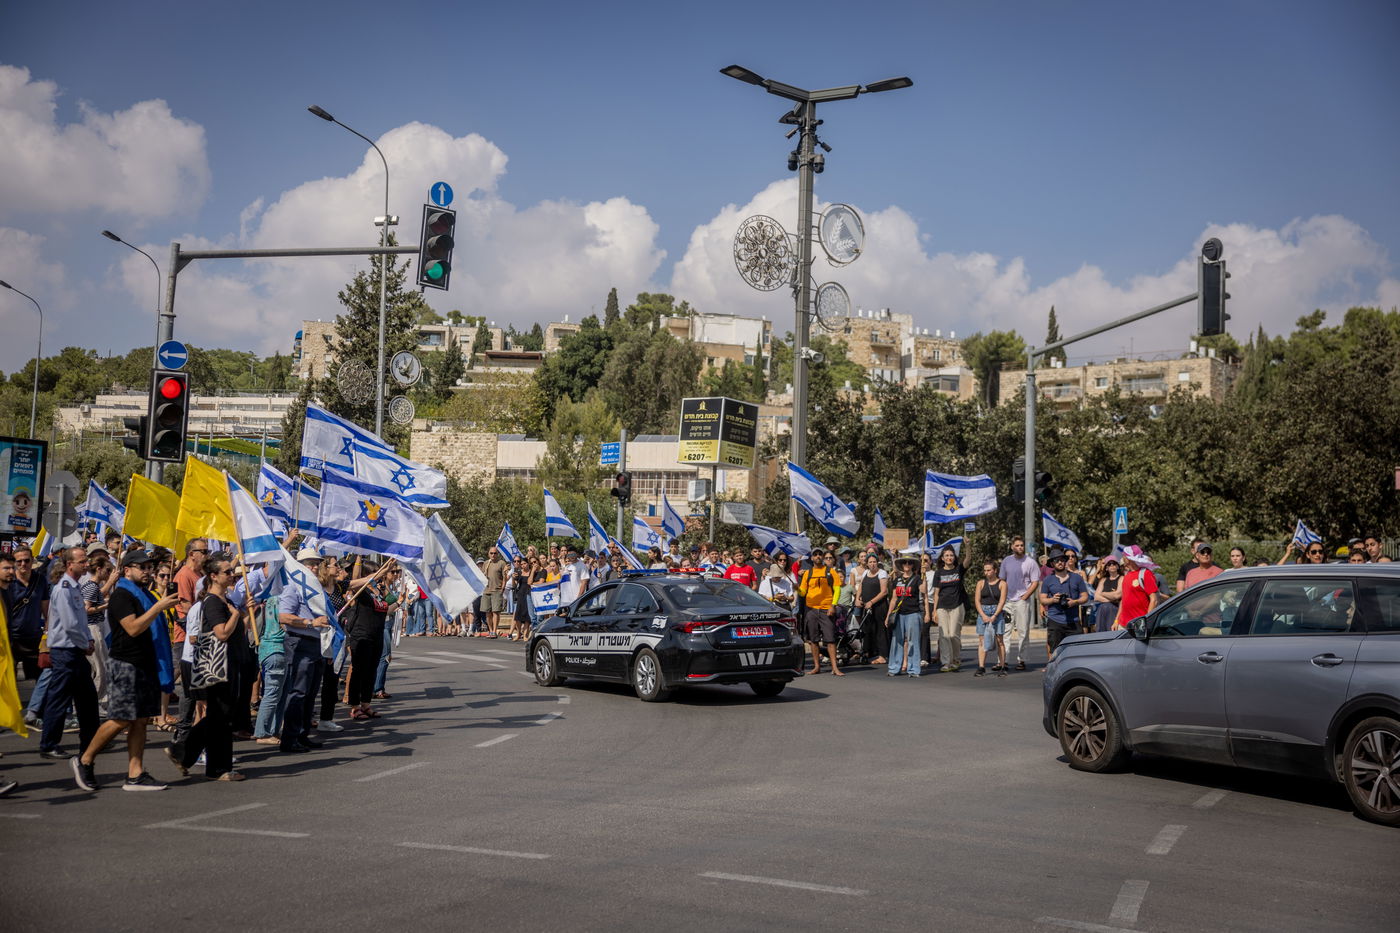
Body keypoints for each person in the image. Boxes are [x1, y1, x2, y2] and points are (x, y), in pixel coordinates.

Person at [71, 550, 180, 792]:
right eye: (142, 567)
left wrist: (159, 603)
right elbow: (132, 628)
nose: (147, 571)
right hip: (126, 663)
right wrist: (159, 607)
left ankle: (135, 774)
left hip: (144, 662)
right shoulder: (122, 595)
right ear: (127, 570)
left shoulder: (143, 594)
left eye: (149, 567)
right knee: (121, 718)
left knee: (140, 720)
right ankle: (84, 759)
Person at [168, 552, 248, 782]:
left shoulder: (224, 599)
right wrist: (235, 615)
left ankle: (201, 761)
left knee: (221, 718)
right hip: (218, 666)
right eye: (227, 572)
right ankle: (197, 758)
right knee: (218, 717)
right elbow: (221, 633)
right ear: (213, 576)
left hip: (229, 664)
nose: (232, 575)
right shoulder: (213, 602)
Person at [38, 547, 100, 760]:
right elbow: (70, 624)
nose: (86, 564)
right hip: (65, 651)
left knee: (87, 697)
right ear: (69, 564)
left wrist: (88, 640)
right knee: (59, 697)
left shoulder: (74, 587)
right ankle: (49, 743)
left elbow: (80, 621)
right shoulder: (63, 588)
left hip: (75, 650)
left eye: (86, 561)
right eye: (82, 561)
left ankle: (91, 738)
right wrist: (85, 643)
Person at [276, 547, 332, 753]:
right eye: (310, 563)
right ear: (299, 565)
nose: (315, 567)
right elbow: (284, 617)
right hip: (300, 641)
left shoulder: (316, 588)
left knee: (310, 694)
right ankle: (289, 739)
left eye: (317, 563)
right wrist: (311, 622)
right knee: (298, 692)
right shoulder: (293, 587)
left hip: (316, 643)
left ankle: (303, 734)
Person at [344, 559, 398, 721]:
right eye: (376, 574)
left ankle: (366, 704)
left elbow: (390, 603)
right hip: (362, 635)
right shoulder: (360, 591)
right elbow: (354, 580)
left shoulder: (378, 592)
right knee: (359, 671)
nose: (380, 579)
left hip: (377, 635)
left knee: (371, 671)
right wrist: (361, 560)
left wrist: (384, 583)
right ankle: (354, 707)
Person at [8, 546, 51, 727]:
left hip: (33, 637)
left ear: (32, 560)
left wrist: (47, 634)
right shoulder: (8, 582)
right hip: (11, 638)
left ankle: (36, 714)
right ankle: (9, 716)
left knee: (43, 675)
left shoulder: (40, 580)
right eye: (19, 561)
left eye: (27, 560)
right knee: (7, 680)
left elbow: (46, 610)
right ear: (14, 563)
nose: (23, 564)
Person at [797, 551, 844, 676]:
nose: (818, 556)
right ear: (812, 558)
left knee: (830, 639)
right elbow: (802, 592)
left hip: (826, 608)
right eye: (815, 555)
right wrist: (796, 588)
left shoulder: (830, 571)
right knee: (813, 640)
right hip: (811, 609)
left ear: (822, 557)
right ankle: (816, 667)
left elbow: (837, 589)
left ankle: (835, 668)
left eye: (820, 554)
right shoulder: (808, 573)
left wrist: (833, 605)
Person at [999, 537, 1040, 672]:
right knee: (1005, 631)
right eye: (1017, 545)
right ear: (1012, 547)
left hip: (1022, 601)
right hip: (1008, 601)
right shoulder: (1007, 561)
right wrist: (1002, 598)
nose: (1020, 547)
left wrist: (1026, 596)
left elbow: (1035, 582)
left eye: (1022, 545)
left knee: (1023, 631)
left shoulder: (1030, 562)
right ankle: (1003, 661)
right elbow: (1002, 580)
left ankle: (1022, 660)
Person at [1039, 550, 1089, 656]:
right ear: (1052, 563)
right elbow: (1042, 599)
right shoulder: (1048, 580)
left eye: (1062, 560)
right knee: (1054, 652)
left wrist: (1075, 602)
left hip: (1073, 621)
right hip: (1055, 620)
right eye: (1057, 560)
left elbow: (1085, 597)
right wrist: (1053, 600)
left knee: (1077, 652)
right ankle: (1053, 671)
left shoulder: (1077, 577)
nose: (1060, 562)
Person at [884, 556, 924, 678]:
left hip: (913, 612)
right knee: (897, 640)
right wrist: (888, 615)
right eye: (905, 563)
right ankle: (894, 668)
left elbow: (924, 594)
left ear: (913, 565)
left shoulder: (918, 579)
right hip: (899, 613)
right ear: (901, 565)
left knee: (913, 641)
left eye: (910, 563)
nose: (907, 564)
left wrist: (924, 577)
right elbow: (893, 599)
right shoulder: (897, 580)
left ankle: (914, 669)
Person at [930, 546, 968, 673]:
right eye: (946, 555)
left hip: (957, 606)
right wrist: (934, 610)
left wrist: (967, 546)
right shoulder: (938, 573)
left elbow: (968, 559)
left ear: (954, 557)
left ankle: (956, 660)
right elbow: (936, 593)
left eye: (951, 555)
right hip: (942, 607)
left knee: (953, 635)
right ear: (942, 558)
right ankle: (946, 662)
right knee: (944, 635)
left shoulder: (959, 570)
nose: (949, 557)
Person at [853, 553, 889, 666]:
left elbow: (884, 591)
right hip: (867, 607)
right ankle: (869, 652)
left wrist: (872, 602)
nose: (872, 564)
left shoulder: (882, 573)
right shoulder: (865, 572)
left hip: (879, 606)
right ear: (867, 564)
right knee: (867, 629)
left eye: (874, 562)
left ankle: (883, 655)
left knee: (880, 630)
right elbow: (861, 587)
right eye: (870, 562)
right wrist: (857, 599)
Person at [973, 559, 1007, 677]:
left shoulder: (1002, 584)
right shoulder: (981, 583)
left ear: (995, 570)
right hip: (983, 612)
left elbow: (1002, 601)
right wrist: (983, 615)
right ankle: (981, 667)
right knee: (982, 640)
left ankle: (1002, 666)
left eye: (989, 570)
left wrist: (995, 615)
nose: (986, 572)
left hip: (997, 612)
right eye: (985, 570)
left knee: (999, 640)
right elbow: (977, 600)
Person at [1114, 545, 1160, 630]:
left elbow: (1154, 600)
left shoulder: (1146, 574)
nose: (1123, 558)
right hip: (1123, 625)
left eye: (1124, 555)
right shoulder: (1127, 575)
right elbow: (1123, 600)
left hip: (1139, 625)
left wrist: (1145, 622)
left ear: (1128, 558)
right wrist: (1116, 620)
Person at [481, 546, 508, 637]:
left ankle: (495, 631)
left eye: (495, 553)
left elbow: (505, 577)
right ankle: (491, 630)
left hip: (497, 590)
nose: (493, 555)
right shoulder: (486, 563)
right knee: (487, 612)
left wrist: (503, 587)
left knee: (495, 611)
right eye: (491, 553)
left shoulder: (501, 563)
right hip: (486, 590)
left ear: (498, 554)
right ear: (488, 554)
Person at [1092, 557, 1123, 633]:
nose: (1112, 566)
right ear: (1106, 568)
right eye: (1109, 564)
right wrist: (1112, 599)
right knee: (1100, 634)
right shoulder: (1103, 580)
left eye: (1114, 564)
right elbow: (1096, 597)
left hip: (1115, 610)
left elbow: (1117, 595)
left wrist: (1103, 593)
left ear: (1118, 566)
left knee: (1112, 633)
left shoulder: (1122, 578)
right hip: (1102, 610)